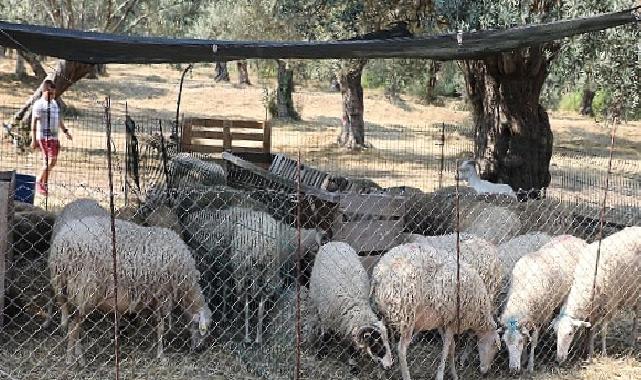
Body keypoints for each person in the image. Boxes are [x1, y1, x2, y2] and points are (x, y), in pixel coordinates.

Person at [30, 79, 72, 196]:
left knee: (52, 163)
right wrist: (34, 139)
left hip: (54, 137)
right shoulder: (39, 104)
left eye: (54, 93)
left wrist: (66, 131)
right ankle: (39, 182)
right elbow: (34, 122)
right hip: (44, 137)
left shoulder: (54, 104)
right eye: (50, 93)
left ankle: (44, 183)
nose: (52, 95)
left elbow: (58, 120)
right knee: (49, 161)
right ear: (44, 91)